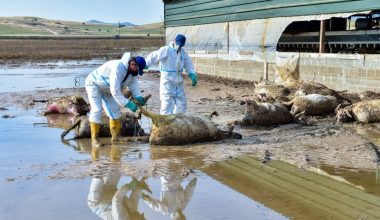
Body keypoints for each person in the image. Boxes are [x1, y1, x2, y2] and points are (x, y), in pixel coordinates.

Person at [85, 52, 147, 147]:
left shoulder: (132, 72)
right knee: (97, 109)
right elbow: (115, 90)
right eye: (138, 70)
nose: (137, 72)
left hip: (107, 89)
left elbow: (134, 86)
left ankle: (116, 137)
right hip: (94, 84)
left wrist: (139, 97)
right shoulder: (119, 67)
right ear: (133, 64)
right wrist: (128, 104)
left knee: (115, 111)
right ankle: (94, 140)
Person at [146, 34, 197, 115]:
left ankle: (177, 122)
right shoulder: (166, 50)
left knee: (182, 104)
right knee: (166, 105)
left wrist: (192, 73)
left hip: (178, 82)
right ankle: (165, 125)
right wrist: (146, 64)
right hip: (167, 82)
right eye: (178, 44)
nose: (179, 46)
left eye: (181, 45)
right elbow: (154, 56)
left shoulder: (183, 53)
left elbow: (188, 64)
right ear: (174, 41)